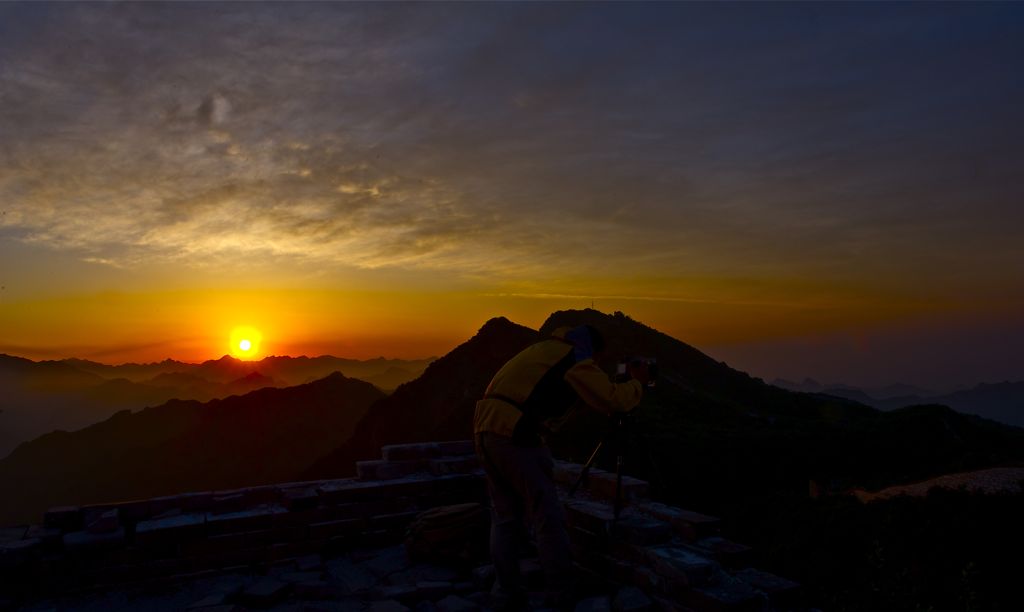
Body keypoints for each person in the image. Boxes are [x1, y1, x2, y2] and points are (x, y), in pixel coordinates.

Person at [473, 324, 649, 610]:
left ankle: (507, 593)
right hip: (516, 436)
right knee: (548, 518)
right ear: (592, 348)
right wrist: (637, 382)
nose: (597, 365)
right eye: (598, 359)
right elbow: (613, 400)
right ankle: (561, 592)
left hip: (485, 431)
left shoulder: (543, 350)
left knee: (505, 518)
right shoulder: (575, 359)